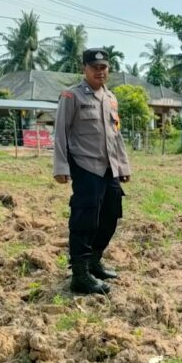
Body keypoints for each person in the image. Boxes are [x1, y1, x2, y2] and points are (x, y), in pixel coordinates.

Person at [53, 49, 132, 294]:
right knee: (84, 220)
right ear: (84, 69)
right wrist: (61, 167)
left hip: (109, 168)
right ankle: (80, 274)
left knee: (110, 216)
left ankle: (94, 262)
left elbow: (116, 135)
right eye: (94, 67)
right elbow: (60, 132)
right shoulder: (71, 96)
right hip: (85, 166)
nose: (100, 71)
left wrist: (123, 165)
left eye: (103, 67)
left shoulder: (111, 98)